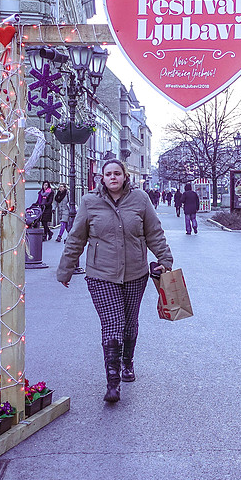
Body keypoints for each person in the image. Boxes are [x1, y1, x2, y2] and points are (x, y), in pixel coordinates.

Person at [57, 159, 173, 403]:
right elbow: (76, 238)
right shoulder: (90, 202)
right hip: (101, 275)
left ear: (124, 176)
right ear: (102, 177)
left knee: (129, 323)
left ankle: (127, 362)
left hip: (135, 274)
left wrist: (165, 259)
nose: (113, 177)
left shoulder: (140, 200)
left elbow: (154, 233)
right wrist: (66, 269)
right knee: (113, 323)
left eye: (117, 173)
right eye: (108, 174)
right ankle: (113, 381)